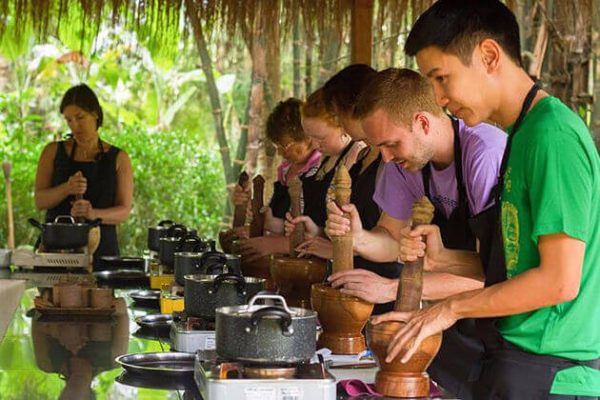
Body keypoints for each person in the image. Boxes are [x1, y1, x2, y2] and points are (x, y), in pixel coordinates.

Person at [372, 1, 600, 398]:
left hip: (554, 373)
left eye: (441, 78)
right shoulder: (523, 134)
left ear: (489, 56)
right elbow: (519, 263)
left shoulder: (553, 136)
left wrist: (448, 309)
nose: (439, 98)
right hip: (514, 358)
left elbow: (559, 282)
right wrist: (444, 259)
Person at [325, 67, 507, 398]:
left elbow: (493, 273)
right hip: (447, 322)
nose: (385, 157)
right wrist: (359, 237)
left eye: (392, 144)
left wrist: (391, 288)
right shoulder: (403, 163)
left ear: (423, 122)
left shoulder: (484, 154)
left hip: (503, 324)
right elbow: (392, 241)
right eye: (379, 146)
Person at [34, 84, 133, 267]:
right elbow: (40, 200)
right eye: (69, 120)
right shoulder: (52, 152)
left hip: (102, 253)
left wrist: (92, 213)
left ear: (95, 114)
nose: (75, 126)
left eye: (80, 117)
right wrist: (67, 188)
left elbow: (124, 211)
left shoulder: (119, 158)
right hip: (57, 252)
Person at [282, 87, 364, 261]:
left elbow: (363, 233)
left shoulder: (358, 157)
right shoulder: (325, 160)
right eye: (309, 137)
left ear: (343, 126)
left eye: (320, 138)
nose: (314, 144)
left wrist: (333, 248)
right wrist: (314, 230)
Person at [235, 98, 321, 262]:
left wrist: (274, 244)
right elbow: (282, 224)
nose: (281, 153)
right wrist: (263, 221)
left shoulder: (321, 171)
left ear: (308, 135)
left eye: (285, 145)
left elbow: (318, 233)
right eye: (277, 146)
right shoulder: (285, 170)